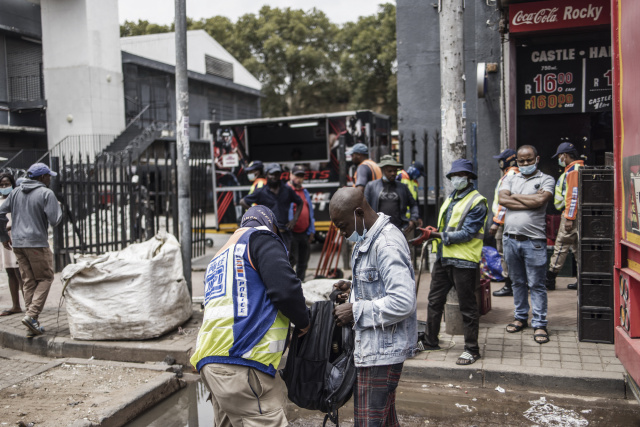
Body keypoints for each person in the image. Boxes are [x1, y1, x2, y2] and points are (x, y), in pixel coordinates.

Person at [190, 206, 310, 426]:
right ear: (272, 226)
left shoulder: (220, 255)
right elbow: (285, 290)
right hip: (243, 364)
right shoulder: (262, 237)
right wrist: (304, 322)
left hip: (211, 363)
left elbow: (242, 305)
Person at [330, 187, 417, 426]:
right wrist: (353, 290)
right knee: (384, 420)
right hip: (374, 349)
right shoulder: (368, 236)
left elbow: (403, 301)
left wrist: (355, 310)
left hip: (381, 353)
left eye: (342, 226)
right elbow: (379, 285)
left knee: (369, 422)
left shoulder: (386, 243)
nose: (342, 233)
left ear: (358, 213)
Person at [421, 159, 487, 365]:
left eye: (460, 176)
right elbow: (448, 226)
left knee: (467, 306)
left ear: (468, 178)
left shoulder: (478, 201)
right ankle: (431, 341)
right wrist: (437, 233)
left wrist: (438, 235)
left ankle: (472, 349)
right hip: (444, 258)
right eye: (454, 176)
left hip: (464, 261)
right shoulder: (452, 198)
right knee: (434, 301)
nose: (456, 179)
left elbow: (468, 233)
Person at [499, 145, 555, 345]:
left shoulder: (546, 179)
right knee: (517, 283)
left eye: (528, 160)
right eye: (521, 161)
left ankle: (539, 323)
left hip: (534, 242)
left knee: (537, 285)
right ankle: (521, 317)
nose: (524, 164)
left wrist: (514, 197)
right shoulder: (510, 178)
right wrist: (529, 199)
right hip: (510, 240)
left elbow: (541, 200)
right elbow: (502, 199)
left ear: (536, 158)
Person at [0, 163, 62, 337]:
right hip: (36, 243)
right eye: (48, 176)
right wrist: (58, 207)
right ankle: (32, 315)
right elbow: (55, 219)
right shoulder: (46, 193)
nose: (50, 178)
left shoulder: (16, 192)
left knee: (28, 281)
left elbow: (0, 213)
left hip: (18, 244)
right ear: (42, 177)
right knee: (46, 278)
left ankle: (31, 324)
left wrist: (4, 236)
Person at [546, 141, 584, 291]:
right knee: (577, 248)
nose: (559, 159)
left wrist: (569, 218)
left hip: (571, 215)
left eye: (560, 156)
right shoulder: (575, 168)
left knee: (561, 245)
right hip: (574, 214)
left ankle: (550, 278)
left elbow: (573, 196)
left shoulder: (574, 170)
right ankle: (580, 280)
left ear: (565, 155)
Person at [239, 163, 303, 251]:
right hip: (268, 234)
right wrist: (259, 216)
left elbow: (300, 202)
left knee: (289, 259)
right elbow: (243, 202)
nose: (274, 177)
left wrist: (294, 220)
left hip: (284, 233)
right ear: (266, 175)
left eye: (276, 174)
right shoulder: (261, 191)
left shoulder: (287, 190)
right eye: (271, 174)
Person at [489, 149, 519, 297]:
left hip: (504, 222)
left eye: (501, 159)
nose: (499, 163)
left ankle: (509, 284)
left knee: (504, 253)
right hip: (509, 221)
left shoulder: (510, 176)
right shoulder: (513, 175)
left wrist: (496, 222)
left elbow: (504, 202)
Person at [364, 154, 420, 234]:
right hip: (377, 230)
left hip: (399, 230)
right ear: (383, 170)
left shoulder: (402, 187)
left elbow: (414, 204)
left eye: (395, 171)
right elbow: (365, 207)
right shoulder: (371, 186)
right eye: (390, 171)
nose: (393, 173)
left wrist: (413, 219)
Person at [0, 174, 24, 317]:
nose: (4, 187)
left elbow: (21, 218)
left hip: (15, 238)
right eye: (1, 185)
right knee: (10, 272)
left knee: (20, 272)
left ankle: (30, 305)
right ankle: (16, 305)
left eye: (6, 184)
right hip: (3, 240)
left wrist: (6, 229)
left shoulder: (16, 199)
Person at [287, 165, 315, 281]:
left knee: (303, 261)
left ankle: (301, 283)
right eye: (297, 175)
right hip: (290, 234)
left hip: (304, 233)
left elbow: (310, 212)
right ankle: (288, 284)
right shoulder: (286, 191)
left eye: (301, 176)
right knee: (291, 261)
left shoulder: (305, 192)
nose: (299, 178)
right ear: (290, 175)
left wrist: (312, 230)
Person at [397, 161, 425, 227]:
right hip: (398, 217)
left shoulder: (415, 182)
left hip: (409, 219)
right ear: (414, 170)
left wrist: (418, 217)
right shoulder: (400, 176)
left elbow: (415, 201)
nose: (419, 176)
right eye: (419, 173)